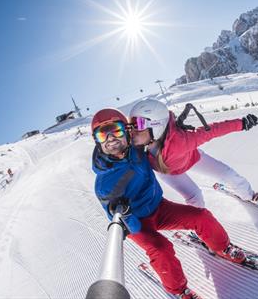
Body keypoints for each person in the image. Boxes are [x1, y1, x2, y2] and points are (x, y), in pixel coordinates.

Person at [91, 108, 246, 299]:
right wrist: (124, 215)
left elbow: (158, 128)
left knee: (201, 216)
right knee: (161, 248)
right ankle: (178, 290)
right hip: (136, 223)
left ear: (127, 130)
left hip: (159, 207)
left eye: (115, 130)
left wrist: (173, 128)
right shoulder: (104, 184)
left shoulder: (137, 150)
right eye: (102, 134)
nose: (110, 139)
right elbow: (115, 220)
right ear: (96, 140)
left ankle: (222, 247)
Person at [129, 99, 258, 208]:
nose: (132, 131)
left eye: (139, 124)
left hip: (192, 158)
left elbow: (212, 131)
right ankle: (199, 228)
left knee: (228, 174)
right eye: (131, 126)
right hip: (168, 173)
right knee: (195, 197)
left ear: (156, 125)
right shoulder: (136, 149)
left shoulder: (181, 141)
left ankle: (248, 195)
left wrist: (241, 124)